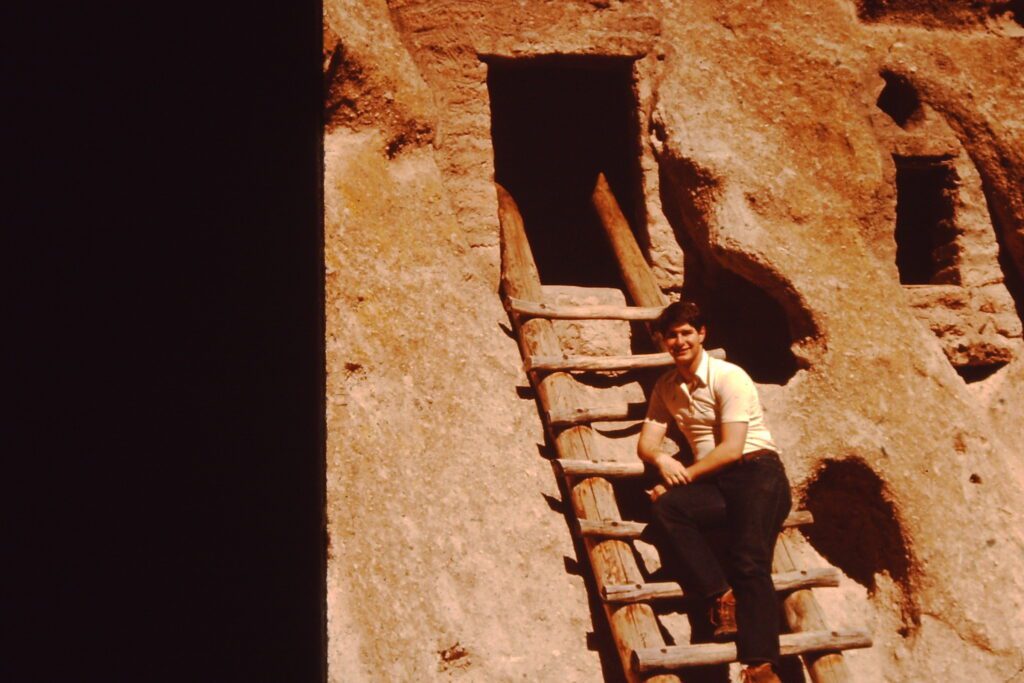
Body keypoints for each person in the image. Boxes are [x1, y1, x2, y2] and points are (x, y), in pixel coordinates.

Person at [637, 301, 792, 683]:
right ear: (663, 341)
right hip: (715, 481)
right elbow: (646, 443)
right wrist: (661, 461)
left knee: (749, 559)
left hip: (757, 473)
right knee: (667, 508)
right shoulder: (667, 387)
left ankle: (761, 667)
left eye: (687, 333)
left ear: (702, 334)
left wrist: (684, 472)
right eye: (671, 335)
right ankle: (721, 596)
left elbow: (732, 448)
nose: (679, 341)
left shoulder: (728, 376)